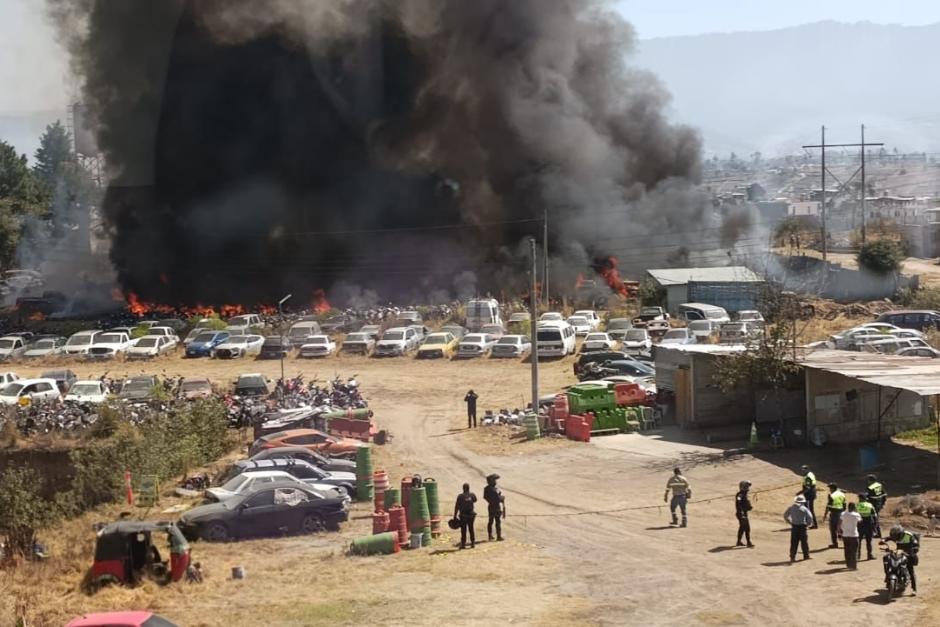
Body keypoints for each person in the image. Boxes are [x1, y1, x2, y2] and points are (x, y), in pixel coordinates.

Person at [886, 524, 920, 596]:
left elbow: (916, 545)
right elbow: (889, 538)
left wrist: (913, 551)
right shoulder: (895, 536)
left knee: (910, 570)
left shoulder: (909, 535)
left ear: (900, 534)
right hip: (899, 553)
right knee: (887, 558)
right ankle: (888, 576)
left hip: (909, 554)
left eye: (895, 536)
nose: (894, 538)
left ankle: (914, 589)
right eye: (893, 536)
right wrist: (883, 540)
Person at [784, 495, 814, 563]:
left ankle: (792, 557)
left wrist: (790, 522)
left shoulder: (791, 508)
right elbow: (810, 517)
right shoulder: (804, 509)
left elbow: (785, 516)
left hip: (794, 527)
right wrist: (808, 524)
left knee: (794, 543)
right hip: (802, 527)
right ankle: (806, 556)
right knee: (804, 542)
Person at [453, 483, 477, 549]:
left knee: (463, 530)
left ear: (463, 488)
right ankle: (472, 543)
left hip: (463, 516)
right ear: (469, 488)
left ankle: (463, 544)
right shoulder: (472, 495)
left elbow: (457, 506)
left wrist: (455, 515)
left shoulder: (460, 496)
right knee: (471, 528)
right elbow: (475, 500)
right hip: (471, 515)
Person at [483, 474, 506, 542]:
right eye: (494, 480)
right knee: (497, 521)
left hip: (491, 506)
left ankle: (490, 535)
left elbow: (485, 497)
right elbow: (497, 498)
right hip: (496, 506)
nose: (495, 481)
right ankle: (498, 536)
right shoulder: (493, 489)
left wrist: (491, 501)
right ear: (491, 481)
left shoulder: (487, 488)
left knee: (491, 521)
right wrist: (501, 498)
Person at [822, 483, 846, 548]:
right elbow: (844, 505)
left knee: (833, 529)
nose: (829, 490)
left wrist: (825, 515)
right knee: (840, 528)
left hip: (834, 513)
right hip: (841, 512)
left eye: (830, 488)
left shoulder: (831, 495)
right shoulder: (842, 494)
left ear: (832, 488)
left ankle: (835, 544)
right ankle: (846, 543)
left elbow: (828, 506)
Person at [840, 502, 861, 569]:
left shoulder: (843, 514)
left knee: (847, 550)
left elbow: (839, 523)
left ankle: (848, 564)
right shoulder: (856, 515)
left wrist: (839, 532)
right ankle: (853, 565)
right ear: (854, 507)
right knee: (854, 551)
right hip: (854, 535)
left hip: (845, 534)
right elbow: (860, 521)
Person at [856, 493, 876, 561]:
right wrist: (875, 526)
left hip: (860, 524)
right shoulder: (870, 505)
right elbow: (874, 515)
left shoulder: (857, 505)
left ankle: (857, 555)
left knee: (858, 540)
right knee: (869, 541)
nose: (858, 499)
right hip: (869, 524)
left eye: (859, 498)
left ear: (861, 498)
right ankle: (869, 555)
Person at [735, 480, 754, 548]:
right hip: (741, 514)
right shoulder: (740, 495)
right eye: (746, 487)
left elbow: (745, 504)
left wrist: (749, 507)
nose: (747, 488)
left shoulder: (744, 495)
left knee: (742, 528)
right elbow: (738, 503)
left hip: (743, 513)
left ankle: (739, 541)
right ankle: (748, 542)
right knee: (747, 528)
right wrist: (742, 512)